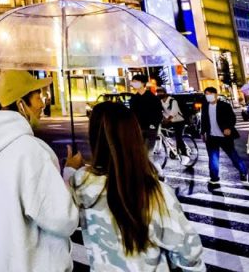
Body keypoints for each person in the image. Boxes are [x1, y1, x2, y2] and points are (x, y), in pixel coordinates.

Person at [65, 101, 205, 271]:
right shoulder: (154, 191)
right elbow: (188, 251)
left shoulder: (81, 183)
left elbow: (64, 218)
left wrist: (69, 170)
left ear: (95, 138)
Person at [0, 70, 78, 272]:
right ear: (20, 104)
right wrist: (69, 174)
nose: (43, 104)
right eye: (37, 96)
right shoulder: (31, 151)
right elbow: (63, 219)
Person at [199, 86, 248, 186]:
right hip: (211, 136)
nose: (208, 96)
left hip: (224, 136)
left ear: (216, 94)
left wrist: (228, 128)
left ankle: (243, 172)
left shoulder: (224, 105)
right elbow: (203, 120)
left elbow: (232, 118)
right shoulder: (205, 106)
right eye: (206, 95)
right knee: (213, 158)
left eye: (210, 94)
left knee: (233, 156)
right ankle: (214, 178)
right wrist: (203, 132)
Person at [129, 75, 163, 152]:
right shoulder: (133, 99)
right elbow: (132, 114)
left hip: (150, 129)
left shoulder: (153, 98)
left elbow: (158, 113)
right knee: (139, 153)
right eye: (133, 82)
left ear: (143, 83)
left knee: (148, 154)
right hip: (138, 129)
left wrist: (153, 125)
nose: (133, 83)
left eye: (135, 82)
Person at [158, 87, 187, 153]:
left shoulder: (172, 101)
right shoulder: (160, 102)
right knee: (163, 132)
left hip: (179, 121)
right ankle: (172, 148)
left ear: (165, 93)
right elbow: (159, 111)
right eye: (158, 92)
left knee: (178, 137)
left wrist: (167, 119)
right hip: (170, 121)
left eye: (161, 92)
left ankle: (184, 153)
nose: (159, 94)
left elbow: (174, 111)